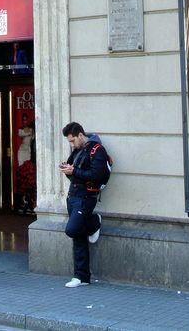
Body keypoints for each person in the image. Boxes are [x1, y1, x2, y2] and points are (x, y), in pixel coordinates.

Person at [59, 121, 109, 288]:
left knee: (72, 229)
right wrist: (67, 170)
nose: (72, 144)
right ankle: (82, 276)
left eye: (73, 140)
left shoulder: (98, 150)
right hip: (73, 196)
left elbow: (96, 175)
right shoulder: (76, 152)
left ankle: (94, 222)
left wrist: (74, 171)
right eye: (69, 142)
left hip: (86, 197)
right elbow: (74, 176)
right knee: (78, 235)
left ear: (81, 135)